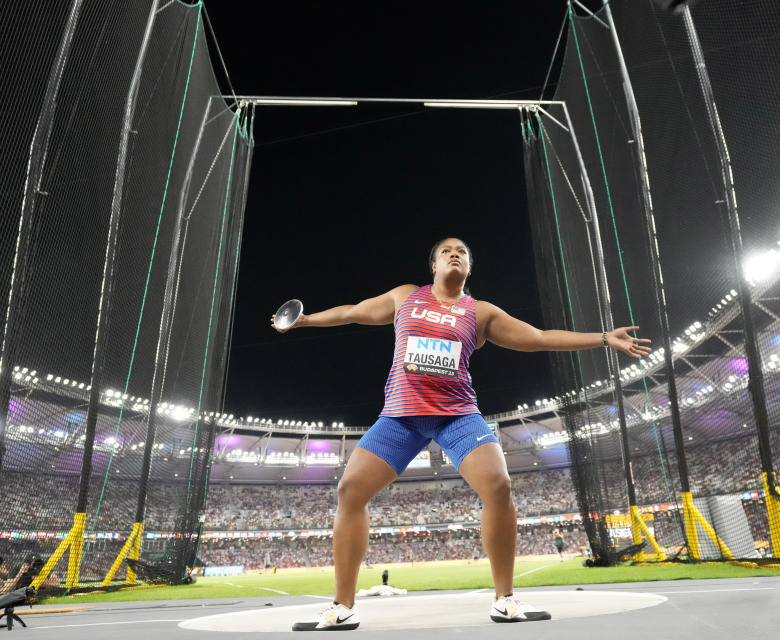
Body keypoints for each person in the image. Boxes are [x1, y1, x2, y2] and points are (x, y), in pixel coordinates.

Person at [273, 238, 651, 631]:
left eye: (463, 252)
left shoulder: (481, 312)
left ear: (469, 267)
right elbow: (352, 312)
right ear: (433, 265)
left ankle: (505, 600)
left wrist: (604, 338)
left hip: (457, 416)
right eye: (446, 251)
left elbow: (539, 338)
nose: (455, 254)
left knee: (498, 485)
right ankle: (342, 607)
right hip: (401, 417)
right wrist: (306, 320)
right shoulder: (405, 297)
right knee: (350, 490)